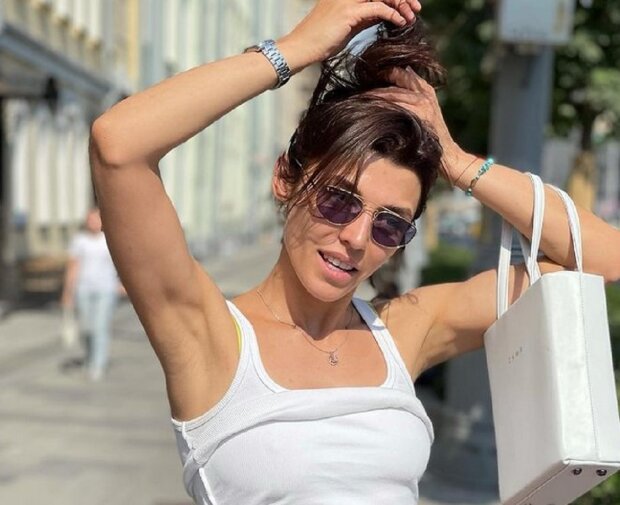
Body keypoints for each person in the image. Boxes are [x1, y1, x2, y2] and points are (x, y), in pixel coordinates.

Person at [88, 1, 620, 503]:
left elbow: (605, 261)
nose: (358, 238)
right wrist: (294, 49)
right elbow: (119, 145)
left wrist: (458, 163)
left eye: (390, 225)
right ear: (286, 179)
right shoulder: (208, 337)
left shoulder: (404, 331)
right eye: (339, 201)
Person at [61, 207, 123, 381]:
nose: (93, 222)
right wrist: (67, 292)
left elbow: (122, 263)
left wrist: (124, 284)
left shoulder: (110, 240)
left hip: (106, 289)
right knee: (86, 328)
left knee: (100, 327)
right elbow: (73, 267)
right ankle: (89, 358)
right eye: (90, 219)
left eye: (96, 219)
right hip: (83, 289)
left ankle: (98, 364)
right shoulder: (79, 241)